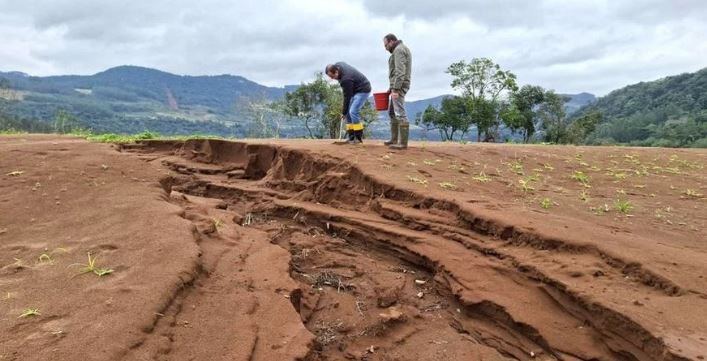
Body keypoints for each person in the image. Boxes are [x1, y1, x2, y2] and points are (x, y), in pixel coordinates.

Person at [325, 62, 371, 144]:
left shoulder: (346, 79)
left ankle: (358, 138)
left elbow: (347, 97)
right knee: (348, 113)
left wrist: (344, 112)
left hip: (363, 89)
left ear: (336, 72)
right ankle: (351, 138)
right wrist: (345, 112)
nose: (332, 79)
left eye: (332, 76)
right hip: (353, 89)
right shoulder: (338, 65)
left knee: (353, 111)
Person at [383, 33, 412, 149]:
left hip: (399, 86)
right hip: (396, 86)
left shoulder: (399, 50)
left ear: (391, 41)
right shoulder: (400, 49)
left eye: (386, 45)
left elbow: (400, 72)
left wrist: (396, 89)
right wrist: (391, 88)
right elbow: (396, 72)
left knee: (400, 113)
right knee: (392, 112)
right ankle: (394, 139)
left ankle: (403, 143)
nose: (385, 48)